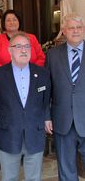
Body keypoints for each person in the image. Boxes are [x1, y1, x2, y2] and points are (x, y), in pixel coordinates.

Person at [0, 32, 51, 181]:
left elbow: (46, 100)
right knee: (9, 178)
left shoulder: (43, 73)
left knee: (34, 178)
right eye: (18, 46)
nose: (24, 50)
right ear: (10, 50)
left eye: (27, 46)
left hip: (35, 135)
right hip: (9, 134)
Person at [45, 13, 85, 181]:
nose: (75, 31)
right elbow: (47, 89)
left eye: (79, 27)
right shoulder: (52, 55)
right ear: (63, 31)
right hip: (62, 121)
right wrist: (47, 117)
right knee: (66, 170)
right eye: (71, 27)